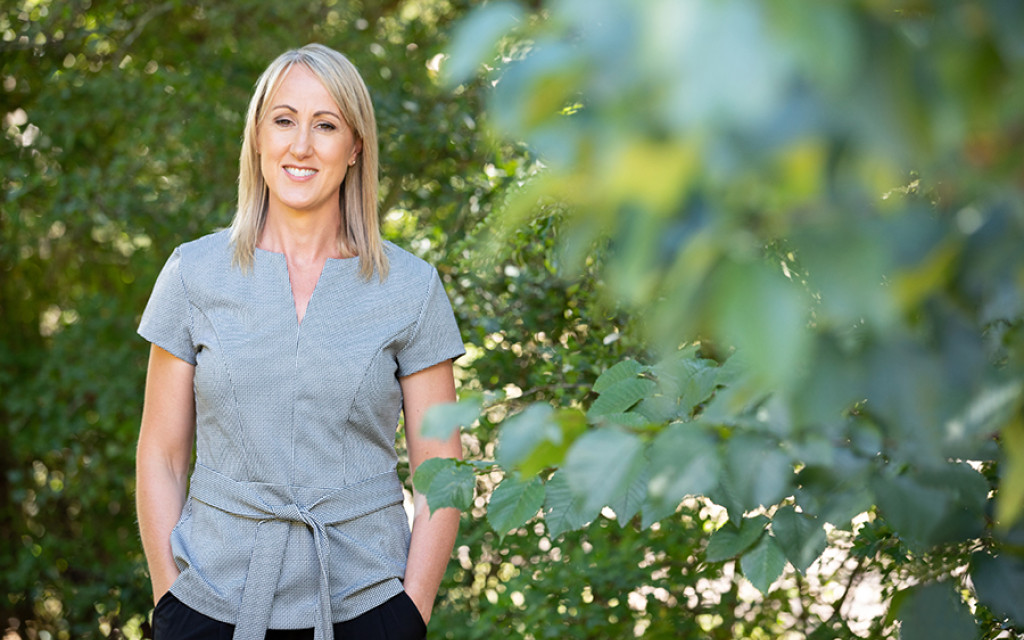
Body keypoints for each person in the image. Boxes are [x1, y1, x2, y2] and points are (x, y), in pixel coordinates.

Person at [135, 43, 465, 640]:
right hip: (211, 604)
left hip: (365, 605)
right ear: (258, 137)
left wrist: (410, 613)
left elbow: (441, 468)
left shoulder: (412, 288)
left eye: (326, 125)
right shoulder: (192, 274)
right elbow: (161, 456)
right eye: (284, 120)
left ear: (355, 145)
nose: (302, 146)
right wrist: (169, 600)